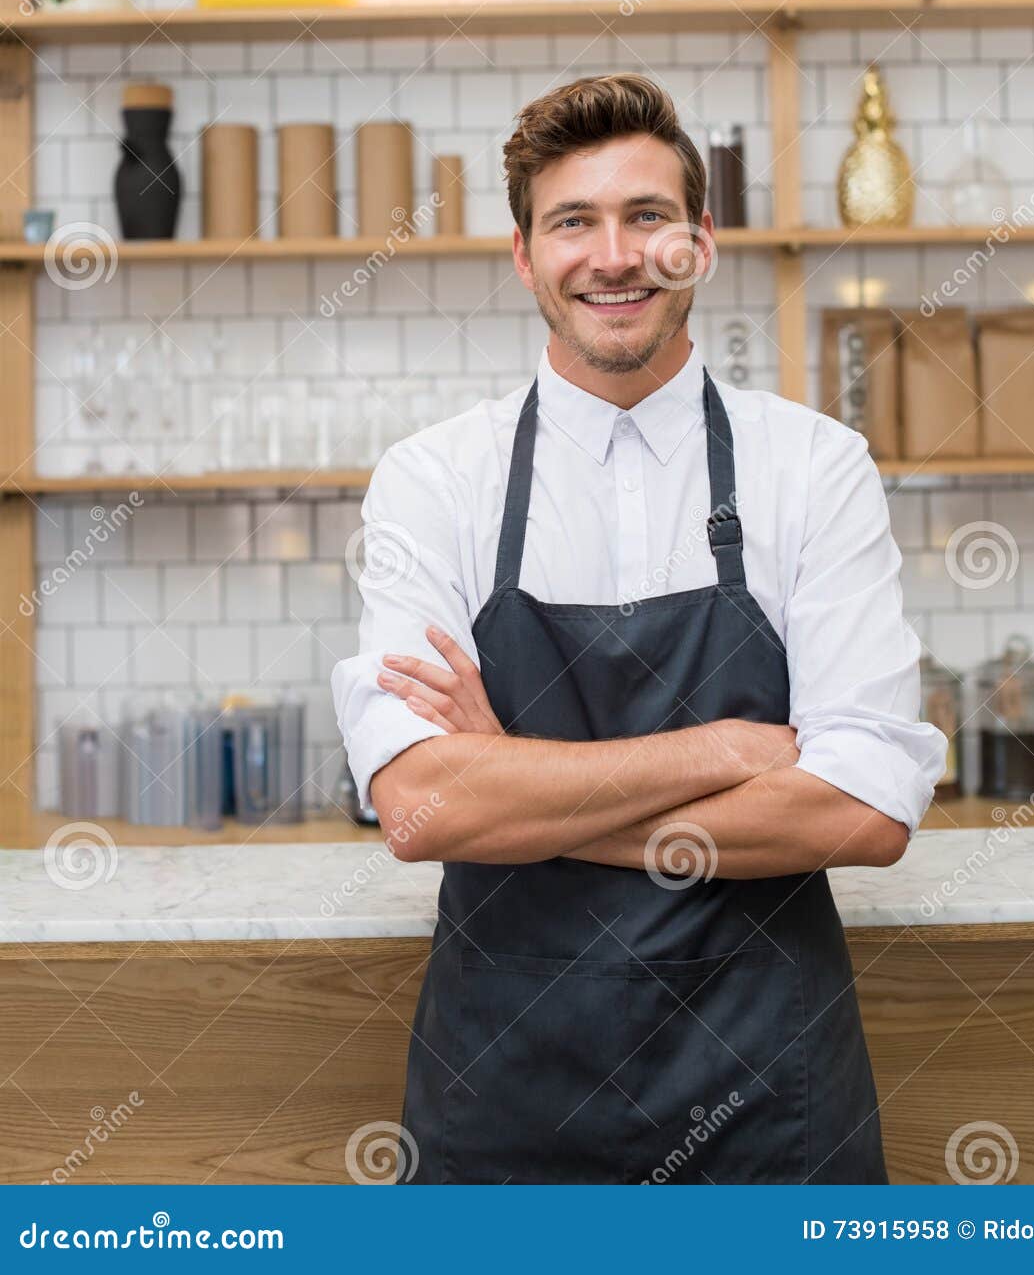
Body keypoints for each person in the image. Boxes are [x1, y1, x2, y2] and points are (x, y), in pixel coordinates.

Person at [331, 72, 947, 1185]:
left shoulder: (813, 468)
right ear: (525, 255)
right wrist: (723, 751)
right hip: (504, 1101)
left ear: (699, 244)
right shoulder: (435, 479)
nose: (612, 255)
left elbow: (863, 810)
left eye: (647, 216)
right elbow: (421, 806)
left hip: (767, 1104)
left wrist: (512, 785)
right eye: (573, 222)